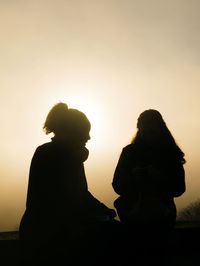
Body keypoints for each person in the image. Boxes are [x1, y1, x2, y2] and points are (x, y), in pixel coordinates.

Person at [19, 102, 117, 265]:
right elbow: (70, 198)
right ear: (72, 132)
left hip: (46, 233)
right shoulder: (55, 154)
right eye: (85, 132)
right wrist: (101, 211)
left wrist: (102, 209)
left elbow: (79, 193)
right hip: (48, 238)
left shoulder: (62, 153)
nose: (88, 137)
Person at [112, 109, 186, 265]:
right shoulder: (129, 152)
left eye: (151, 125)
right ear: (140, 128)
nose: (147, 130)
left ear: (160, 127)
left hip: (160, 220)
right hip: (134, 219)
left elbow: (179, 188)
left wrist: (159, 178)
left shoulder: (170, 154)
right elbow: (118, 185)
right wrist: (134, 178)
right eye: (144, 126)